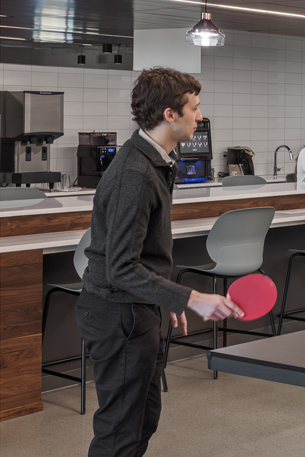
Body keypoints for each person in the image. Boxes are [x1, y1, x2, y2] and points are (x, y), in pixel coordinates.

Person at [78, 67, 243, 456]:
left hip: (138, 309)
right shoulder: (134, 174)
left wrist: (162, 299)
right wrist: (188, 298)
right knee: (119, 431)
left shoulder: (156, 161)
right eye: (194, 108)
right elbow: (120, 267)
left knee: (143, 419)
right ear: (170, 114)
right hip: (116, 313)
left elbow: (140, 258)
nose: (199, 117)